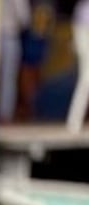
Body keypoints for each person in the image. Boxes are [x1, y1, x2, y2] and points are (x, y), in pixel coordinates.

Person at [16, 0, 55, 121]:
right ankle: (29, 106)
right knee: (29, 70)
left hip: (35, 28)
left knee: (30, 70)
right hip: (34, 28)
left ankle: (30, 107)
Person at [68, 0, 89, 131]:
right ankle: (74, 121)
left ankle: (74, 121)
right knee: (86, 78)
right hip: (83, 26)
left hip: (81, 26)